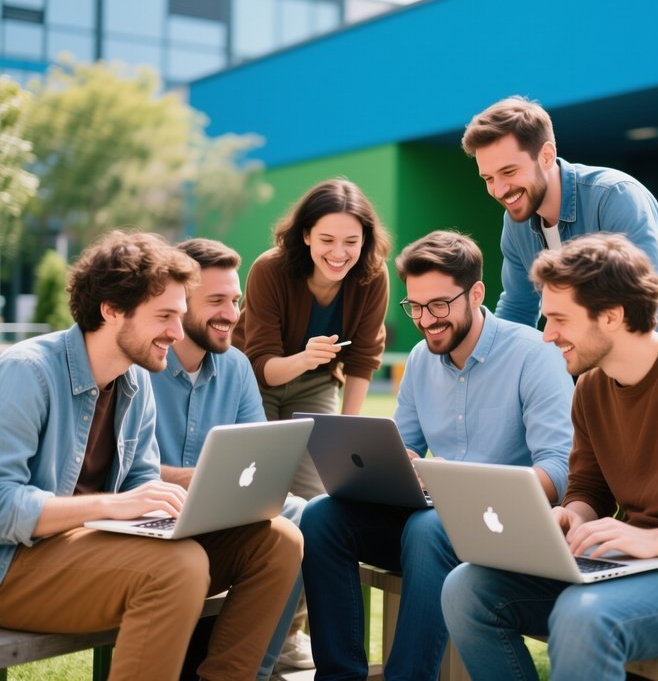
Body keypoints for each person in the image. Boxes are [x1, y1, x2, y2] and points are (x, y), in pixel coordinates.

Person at [441, 233, 658, 681]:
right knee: (467, 589)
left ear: (611, 317)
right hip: (638, 562)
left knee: (584, 615)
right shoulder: (590, 388)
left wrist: (654, 541)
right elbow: (590, 489)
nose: (546, 335)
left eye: (558, 320)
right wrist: (573, 515)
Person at [0, 231, 303, 681]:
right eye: (164, 316)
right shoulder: (28, 372)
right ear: (111, 309)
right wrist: (110, 505)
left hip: (92, 554)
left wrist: (183, 507)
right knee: (178, 567)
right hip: (15, 567)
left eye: (180, 316)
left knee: (278, 541)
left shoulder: (134, 382)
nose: (177, 333)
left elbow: (142, 485)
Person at [300, 230, 574, 681]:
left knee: (429, 527)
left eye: (440, 305)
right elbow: (403, 444)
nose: (426, 321)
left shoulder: (533, 356)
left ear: (477, 293)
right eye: (416, 307)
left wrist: (462, 484)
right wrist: (395, 465)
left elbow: (559, 473)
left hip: (506, 530)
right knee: (321, 516)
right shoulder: (423, 360)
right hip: (433, 526)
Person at [149, 238, 311, 678]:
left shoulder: (237, 367)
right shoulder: (143, 364)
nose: (231, 313)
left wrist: (227, 482)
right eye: (216, 300)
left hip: (216, 523)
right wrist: (190, 479)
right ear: (180, 304)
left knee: (297, 511)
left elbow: (255, 458)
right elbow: (123, 470)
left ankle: (252, 672)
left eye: (235, 300)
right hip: (149, 524)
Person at [461, 95, 658, 338]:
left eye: (509, 171)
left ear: (546, 156)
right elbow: (517, 311)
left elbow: (654, 319)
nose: (500, 190)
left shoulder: (615, 197)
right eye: (489, 178)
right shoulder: (516, 224)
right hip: (600, 354)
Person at [237, 178, 391, 498]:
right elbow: (260, 364)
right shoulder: (269, 269)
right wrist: (305, 358)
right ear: (306, 235)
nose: (339, 253)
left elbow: (364, 356)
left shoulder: (373, 277)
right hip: (254, 383)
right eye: (326, 239)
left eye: (351, 241)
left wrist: (346, 431)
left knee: (316, 495)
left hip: (316, 383)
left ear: (365, 240)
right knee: (260, 482)